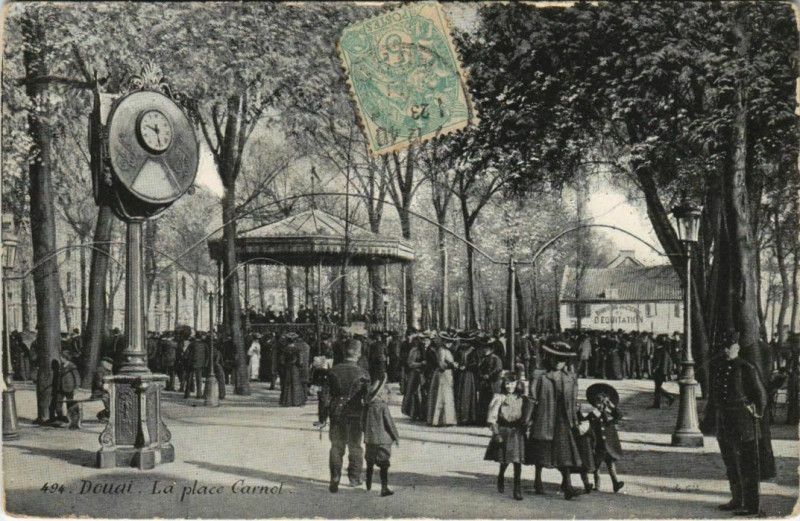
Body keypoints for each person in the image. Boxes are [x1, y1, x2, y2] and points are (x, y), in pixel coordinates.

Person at [710, 332, 768, 515]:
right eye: (725, 347)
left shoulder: (746, 368)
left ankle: (751, 505)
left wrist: (756, 413)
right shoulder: (719, 367)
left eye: (731, 346)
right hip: (725, 420)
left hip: (743, 420)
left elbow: (761, 396)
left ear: (738, 347)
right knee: (731, 463)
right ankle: (737, 499)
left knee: (747, 464)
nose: (727, 350)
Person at [526, 341, 583, 500]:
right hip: (544, 416)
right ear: (549, 358)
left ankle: (567, 484)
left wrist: (575, 420)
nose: (559, 362)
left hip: (563, 419)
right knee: (542, 450)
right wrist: (526, 419)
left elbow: (572, 401)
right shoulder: (539, 376)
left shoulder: (570, 378)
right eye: (555, 358)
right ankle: (538, 480)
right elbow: (531, 398)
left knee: (565, 451)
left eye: (562, 359)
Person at [317, 339, 371, 492]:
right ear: (358, 354)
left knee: (336, 446)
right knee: (355, 447)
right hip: (355, 413)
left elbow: (324, 397)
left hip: (336, 413)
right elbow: (368, 398)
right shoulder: (363, 373)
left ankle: (335, 477)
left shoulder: (333, 371)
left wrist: (322, 418)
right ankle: (354, 478)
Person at [484, 370, 531, 501]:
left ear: (517, 384)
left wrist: (527, 424)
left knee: (517, 461)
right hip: (505, 430)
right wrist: (496, 432)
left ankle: (517, 489)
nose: (510, 386)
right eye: (507, 383)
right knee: (505, 460)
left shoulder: (522, 398)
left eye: (513, 383)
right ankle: (501, 476)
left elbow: (528, 414)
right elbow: (492, 416)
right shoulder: (499, 397)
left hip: (517, 433)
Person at [363, 373, 400, 497]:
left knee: (369, 462)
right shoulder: (383, 406)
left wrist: (366, 432)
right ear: (381, 394)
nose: (388, 396)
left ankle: (368, 484)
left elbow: (362, 422)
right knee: (384, 464)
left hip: (370, 439)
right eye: (387, 393)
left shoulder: (367, 407)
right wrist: (395, 436)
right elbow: (389, 423)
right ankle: (384, 488)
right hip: (383, 440)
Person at [585, 383, 624, 493]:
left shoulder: (609, 414)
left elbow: (619, 416)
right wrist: (596, 412)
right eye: (599, 402)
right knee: (596, 466)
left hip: (609, 445)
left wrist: (612, 407)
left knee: (610, 463)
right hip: (598, 445)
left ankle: (615, 482)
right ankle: (597, 485)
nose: (601, 405)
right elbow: (588, 421)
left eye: (603, 403)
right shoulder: (594, 414)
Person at [427, 333, 458, 427]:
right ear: (444, 342)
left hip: (447, 374)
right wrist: (452, 365)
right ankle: (440, 419)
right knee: (442, 395)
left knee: (447, 395)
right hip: (443, 374)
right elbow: (441, 364)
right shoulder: (442, 350)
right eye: (447, 342)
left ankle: (447, 419)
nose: (449, 344)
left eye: (450, 342)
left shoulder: (446, 350)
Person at [477, 341, 503, 427]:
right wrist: (481, 375)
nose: (484, 350)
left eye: (486, 348)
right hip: (485, 383)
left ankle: (492, 420)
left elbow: (498, 369)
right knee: (484, 401)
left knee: (493, 402)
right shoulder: (484, 358)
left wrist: (489, 375)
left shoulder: (496, 358)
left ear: (491, 349)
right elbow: (479, 369)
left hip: (493, 383)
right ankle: (484, 420)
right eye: (484, 348)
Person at [454, 334, 479, 425]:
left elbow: (475, 363)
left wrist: (466, 367)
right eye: (463, 341)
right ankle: (459, 416)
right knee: (458, 393)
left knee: (467, 394)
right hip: (459, 374)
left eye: (466, 341)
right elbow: (455, 359)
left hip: (468, 375)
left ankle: (468, 417)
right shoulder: (459, 349)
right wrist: (456, 365)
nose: (464, 343)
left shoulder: (473, 351)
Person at [401, 335, 426, 421]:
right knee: (414, 393)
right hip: (414, 374)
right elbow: (410, 363)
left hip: (422, 374)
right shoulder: (414, 351)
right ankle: (414, 413)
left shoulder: (425, 350)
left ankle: (421, 413)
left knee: (421, 394)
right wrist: (421, 364)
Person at [279, 333, 307, 407]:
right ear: (294, 341)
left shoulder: (284, 350)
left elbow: (281, 361)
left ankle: (287, 401)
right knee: (296, 384)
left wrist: (285, 364)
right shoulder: (298, 350)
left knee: (287, 383)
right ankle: (296, 401)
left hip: (287, 368)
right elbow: (301, 362)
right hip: (295, 368)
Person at [91, 357, 113, 422]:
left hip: (104, 391)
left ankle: (105, 414)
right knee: (107, 398)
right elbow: (99, 384)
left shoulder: (107, 371)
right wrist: (108, 387)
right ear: (104, 363)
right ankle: (103, 415)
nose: (111, 366)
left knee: (112, 399)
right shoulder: (100, 371)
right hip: (99, 392)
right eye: (109, 364)